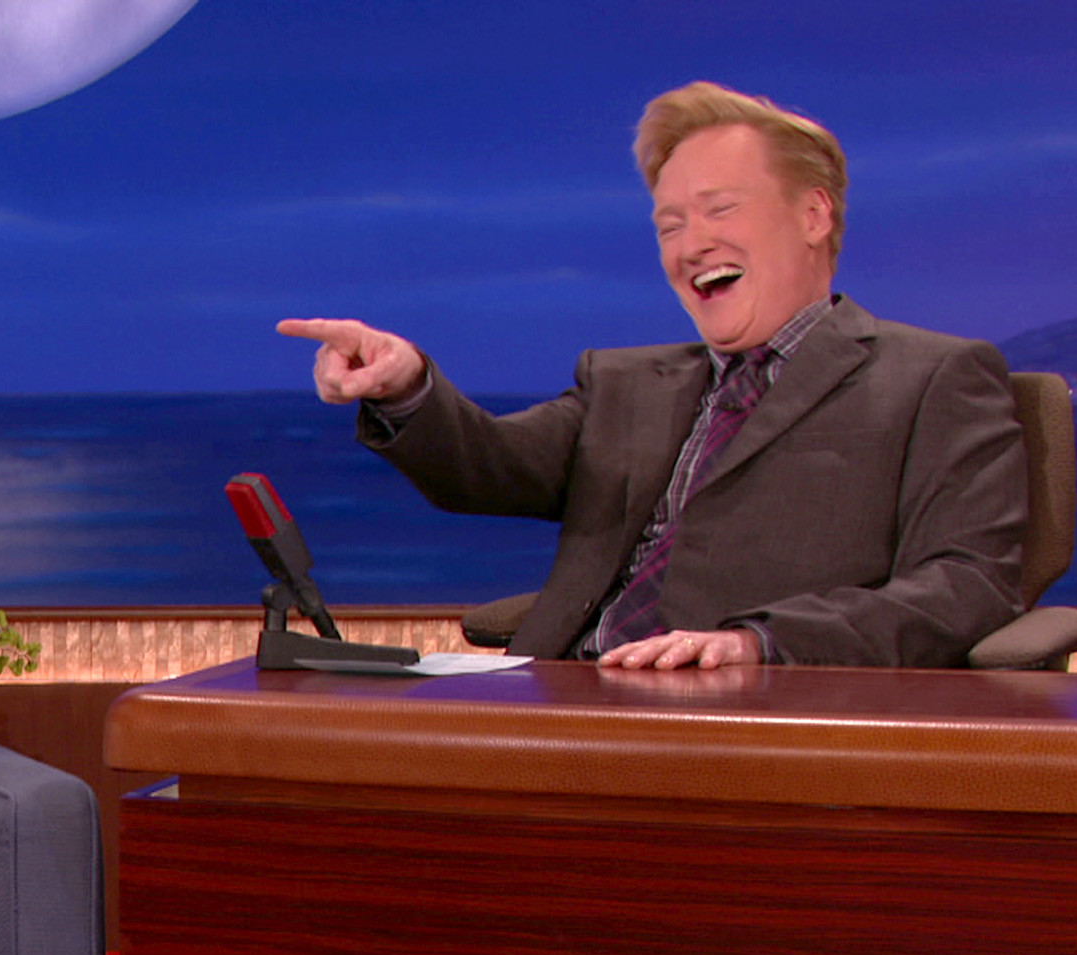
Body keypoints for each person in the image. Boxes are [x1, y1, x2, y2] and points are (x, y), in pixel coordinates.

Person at [279, 82, 1028, 670]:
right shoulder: (622, 383)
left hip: (753, 713)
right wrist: (407, 384)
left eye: (718, 210)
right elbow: (487, 468)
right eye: (669, 226)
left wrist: (758, 643)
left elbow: (967, 585)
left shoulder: (932, 378)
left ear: (812, 215)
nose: (690, 245)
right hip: (555, 696)